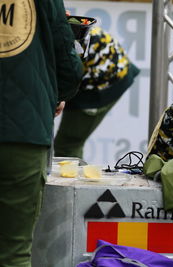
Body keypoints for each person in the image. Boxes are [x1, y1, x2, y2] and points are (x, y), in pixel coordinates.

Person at [0, 0, 84, 266]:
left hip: (22, 132)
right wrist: (59, 93)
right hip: (22, 134)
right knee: (14, 252)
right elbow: (67, 65)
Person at [54, 26, 140, 160]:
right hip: (96, 65)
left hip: (101, 78)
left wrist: (58, 99)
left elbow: (67, 70)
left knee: (67, 145)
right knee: (67, 145)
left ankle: (71, 179)